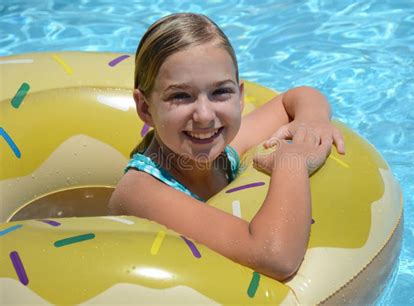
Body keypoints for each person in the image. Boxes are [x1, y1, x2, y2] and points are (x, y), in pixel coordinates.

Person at [108, 12, 345, 282]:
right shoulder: (141, 192)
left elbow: (297, 96)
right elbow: (276, 257)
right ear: (144, 107)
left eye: (221, 92)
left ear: (240, 97)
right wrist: (291, 162)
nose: (205, 116)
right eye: (180, 96)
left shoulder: (223, 152)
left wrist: (312, 121)